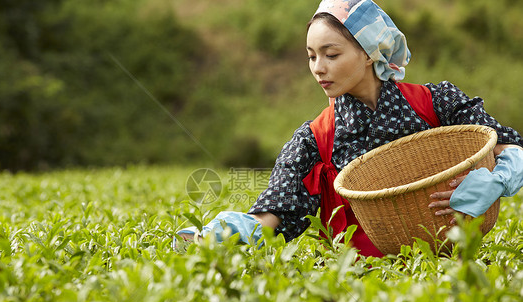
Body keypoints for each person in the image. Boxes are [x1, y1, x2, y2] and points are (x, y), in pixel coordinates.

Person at [178, 0, 523, 257]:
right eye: (311, 56)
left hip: (450, 270)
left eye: (331, 54)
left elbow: (509, 148)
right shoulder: (314, 140)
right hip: (365, 287)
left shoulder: (437, 103)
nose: (318, 68)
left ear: (370, 53)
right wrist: (216, 237)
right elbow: (275, 212)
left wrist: (495, 181)